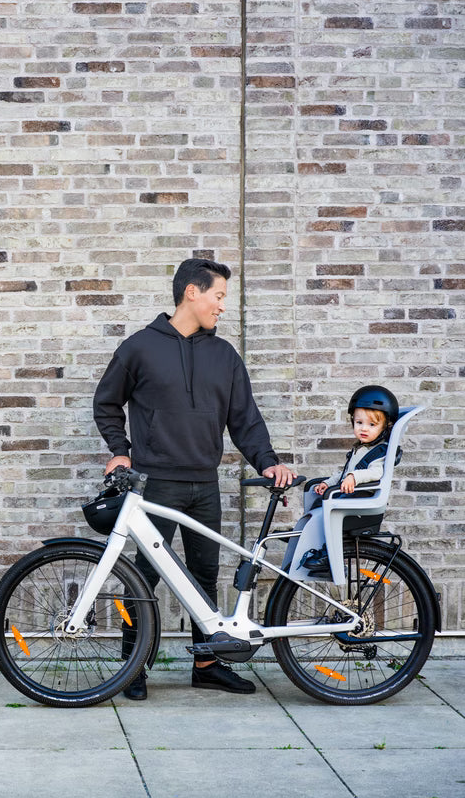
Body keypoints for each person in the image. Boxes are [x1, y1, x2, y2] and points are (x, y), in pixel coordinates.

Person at [93, 257, 296, 700]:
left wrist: (267, 462)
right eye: (218, 296)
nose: (222, 305)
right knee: (143, 579)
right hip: (157, 483)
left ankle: (207, 666)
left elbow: (245, 418)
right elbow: (106, 403)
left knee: (204, 575)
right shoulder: (139, 348)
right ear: (192, 292)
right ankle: (133, 668)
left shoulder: (224, 356)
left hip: (205, 483)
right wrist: (120, 451)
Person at [299, 385, 399, 576]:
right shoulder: (359, 449)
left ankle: (327, 556)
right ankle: (305, 536)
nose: (363, 428)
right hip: (352, 497)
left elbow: (377, 472)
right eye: (359, 422)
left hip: (362, 501)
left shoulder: (380, 452)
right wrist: (328, 483)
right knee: (318, 502)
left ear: (385, 427)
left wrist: (355, 477)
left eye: (372, 425)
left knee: (329, 511)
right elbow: (344, 473)